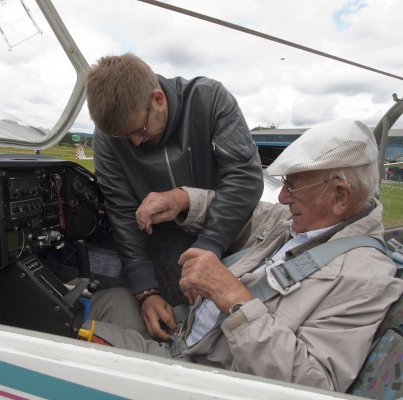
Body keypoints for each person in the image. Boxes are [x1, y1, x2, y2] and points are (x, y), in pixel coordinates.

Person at [82, 120, 403, 392]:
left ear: (339, 197)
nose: (282, 196)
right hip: (185, 334)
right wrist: (181, 199)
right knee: (111, 299)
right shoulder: (301, 222)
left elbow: (313, 384)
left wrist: (232, 298)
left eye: (293, 187)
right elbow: (237, 212)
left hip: (200, 376)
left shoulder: (365, 278)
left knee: (63, 337)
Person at [85, 53, 264, 339]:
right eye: (124, 138)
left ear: (157, 98)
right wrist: (145, 291)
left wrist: (207, 247)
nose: (135, 143)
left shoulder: (210, 99)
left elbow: (245, 178)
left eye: (139, 130)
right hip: (157, 243)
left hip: (226, 232)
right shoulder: (109, 137)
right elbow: (120, 210)